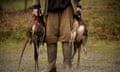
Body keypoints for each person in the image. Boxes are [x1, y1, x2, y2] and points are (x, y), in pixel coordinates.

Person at [30, 0, 82, 72]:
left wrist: (78, 5)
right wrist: (36, 6)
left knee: (67, 35)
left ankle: (67, 66)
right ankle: (51, 65)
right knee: (50, 36)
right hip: (48, 7)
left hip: (67, 6)